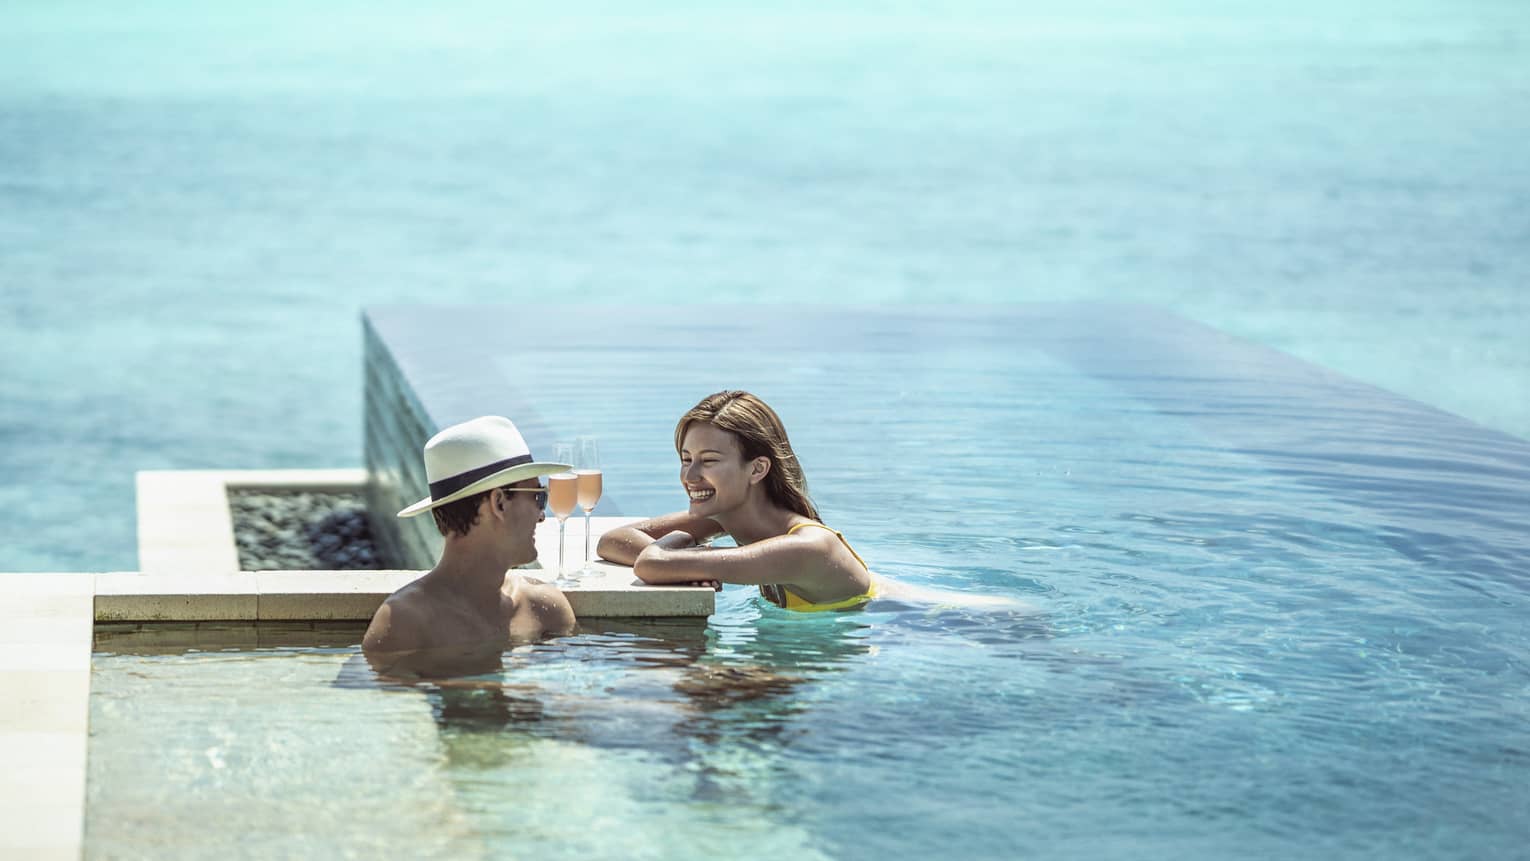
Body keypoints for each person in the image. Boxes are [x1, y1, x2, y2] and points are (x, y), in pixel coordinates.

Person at [598, 390, 882, 612]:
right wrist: (688, 566)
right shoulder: (725, 514)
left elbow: (651, 563)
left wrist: (683, 554)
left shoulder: (808, 547)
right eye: (686, 459)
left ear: (757, 469)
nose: (690, 475)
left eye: (709, 461)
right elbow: (613, 540)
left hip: (906, 627)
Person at [363, 415, 577, 668]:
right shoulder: (404, 623)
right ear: (499, 503)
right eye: (538, 497)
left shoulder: (545, 609)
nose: (542, 515)